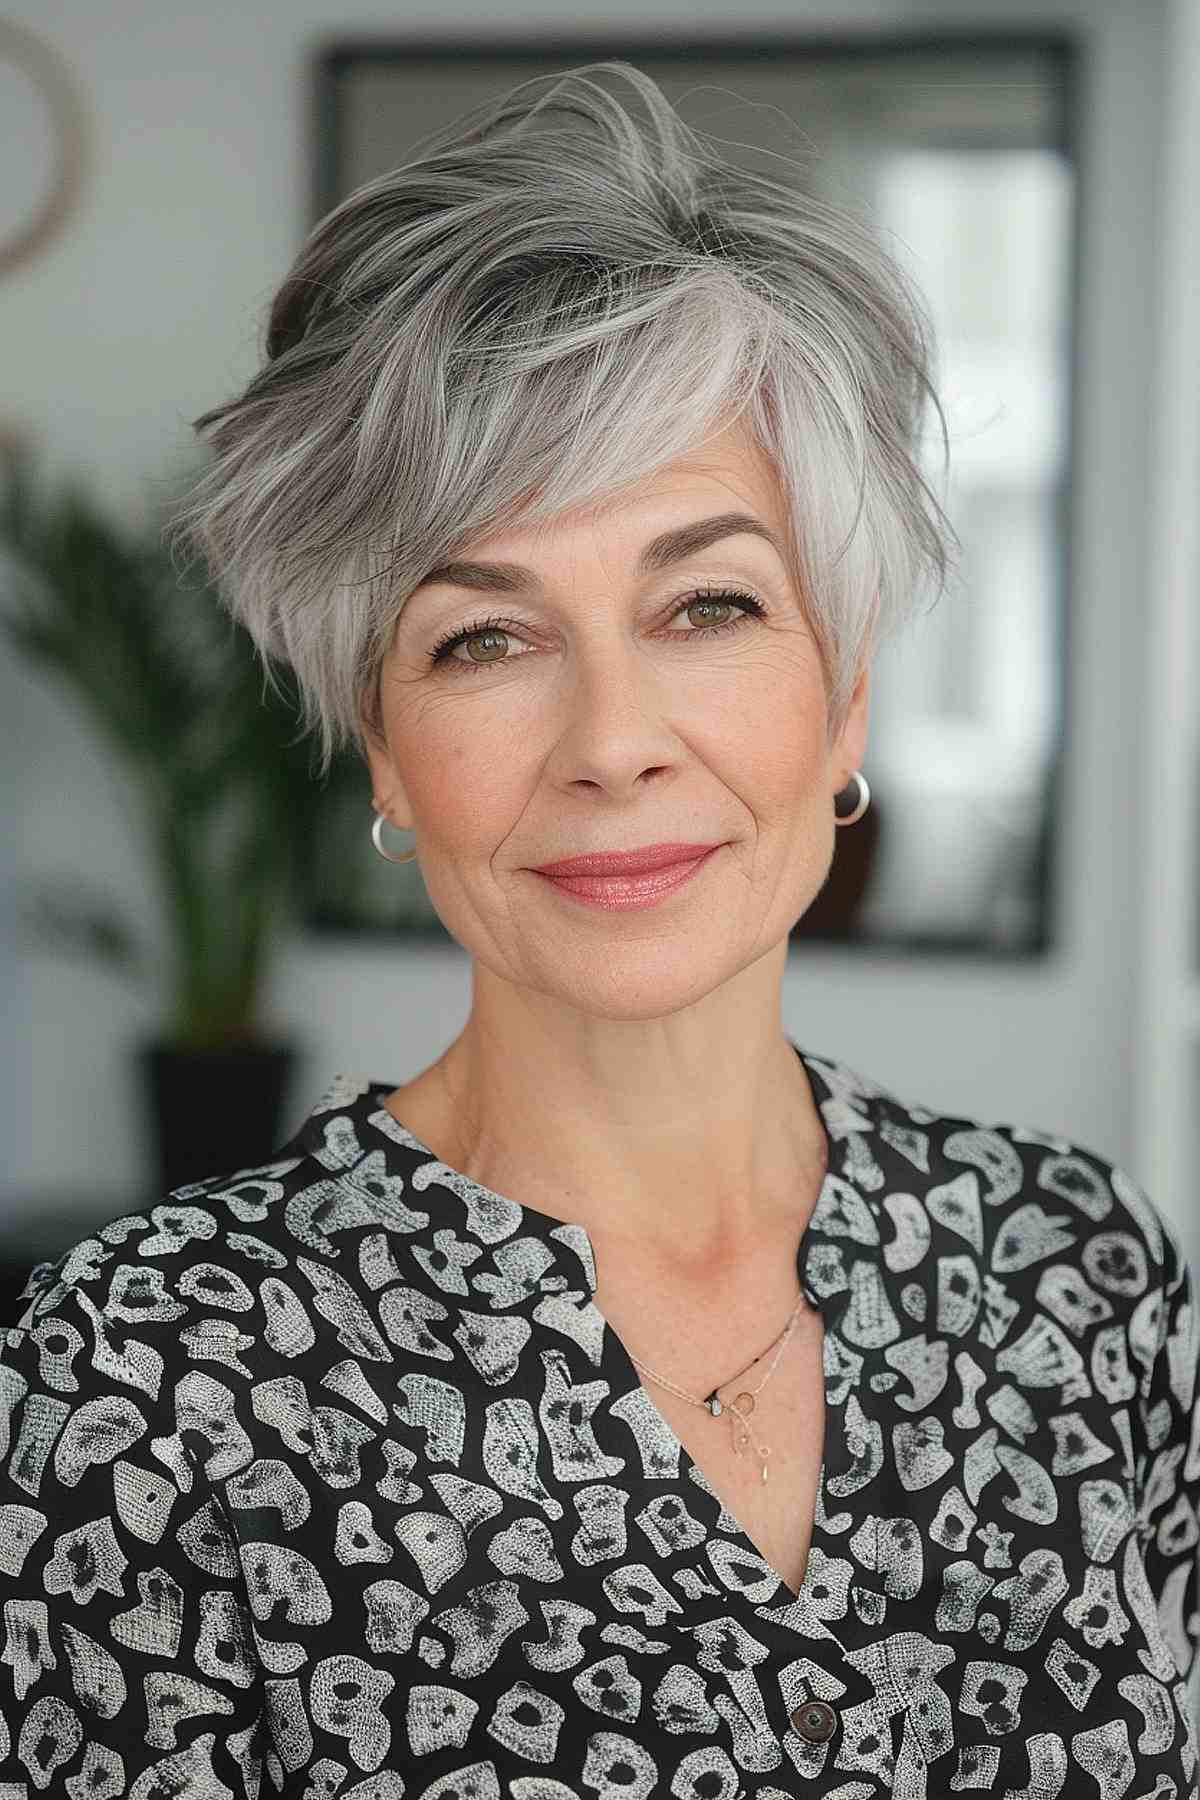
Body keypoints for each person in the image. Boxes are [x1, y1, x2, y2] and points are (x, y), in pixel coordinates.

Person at [1, 60, 1196, 1800]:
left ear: (844, 699)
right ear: (386, 753)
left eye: (709, 603)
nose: (614, 737)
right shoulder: (135, 1384)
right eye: (485, 638)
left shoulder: (1083, 1275)